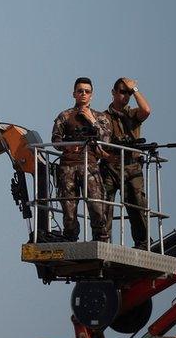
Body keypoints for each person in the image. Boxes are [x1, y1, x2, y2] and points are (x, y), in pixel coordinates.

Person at [50, 77, 113, 242]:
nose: (83, 94)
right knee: (69, 211)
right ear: (74, 94)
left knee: (96, 206)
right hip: (68, 167)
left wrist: (92, 120)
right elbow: (55, 140)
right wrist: (68, 146)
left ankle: (100, 239)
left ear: (91, 95)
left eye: (87, 91)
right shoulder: (65, 115)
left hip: (90, 165)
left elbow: (106, 140)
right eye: (80, 91)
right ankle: (70, 239)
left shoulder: (100, 116)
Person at [103, 77, 152, 248]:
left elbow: (146, 110)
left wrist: (135, 90)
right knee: (105, 205)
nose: (126, 96)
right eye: (122, 92)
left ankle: (143, 242)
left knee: (137, 204)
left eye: (128, 93)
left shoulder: (132, 114)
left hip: (131, 166)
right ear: (113, 93)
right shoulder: (103, 117)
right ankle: (104, 242)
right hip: (110, 166)